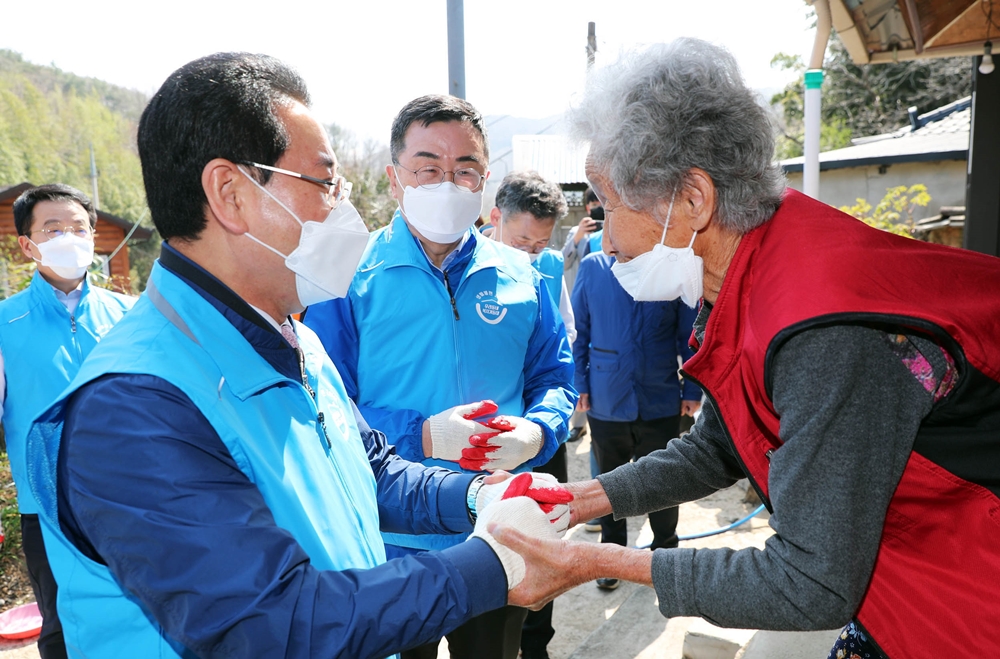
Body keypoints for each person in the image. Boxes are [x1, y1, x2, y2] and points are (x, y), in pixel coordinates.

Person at [23, 53, 567, 659]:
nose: (342, 210)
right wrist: (493, 566)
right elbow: (274, 625)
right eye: (326, 184)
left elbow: (372, 470)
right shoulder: (133, 405)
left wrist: (476, 497)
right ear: (231, 194)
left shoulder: (294, 339)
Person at [493, 39, 1000, 659]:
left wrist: (594, 561)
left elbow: (809, 583)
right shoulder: (755, 264)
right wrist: (582, 500)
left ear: (692, 200)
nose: (604, 237)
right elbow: (721, 443)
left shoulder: (821, 329)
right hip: (909, 580)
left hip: (967, 603)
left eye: (609, 205)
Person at [304, 95, 577, 659]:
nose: (448, 184)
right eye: (428, 168)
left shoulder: (523, 275)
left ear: (484, 181)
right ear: (394, 179)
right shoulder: (348, 277)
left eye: (465, 170)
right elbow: (323, 405)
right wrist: (422, 435)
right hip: (391, 537)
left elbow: (555, 376)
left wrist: (538, 431)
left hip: (497, 528)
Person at [0, 184, 134, 659]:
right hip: (48, 510)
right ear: (27, 244)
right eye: (53, 229)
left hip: (133, 499)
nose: (69, 238)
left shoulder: (130, 315)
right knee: (63, 630)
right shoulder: (4, 323)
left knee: (144, 617)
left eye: (79, 228)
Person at [571, 249, 701, 590]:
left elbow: (688, 334)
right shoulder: (594, 266)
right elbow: (579, 331)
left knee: (665, 480)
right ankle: (611, 557)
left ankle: (665, 554)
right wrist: (580, 383)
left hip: (659, 395)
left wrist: (692, 389)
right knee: (609, 483)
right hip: (606, 396)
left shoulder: (670, 266)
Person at [487, 170, 573, 659]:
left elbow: (562, 345)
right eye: (522, 242)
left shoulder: (547, 270)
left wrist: (542, 424)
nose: (531, 254)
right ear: (495, 218)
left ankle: (535, 645)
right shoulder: (462, 265)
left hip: (533, 437)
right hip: (480, 443)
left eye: (541, 244)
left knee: (541, 540)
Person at [561, 188, 602, 444]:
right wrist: (578, 236)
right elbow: (563, 262)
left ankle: (596, 415)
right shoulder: (574, 233)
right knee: (577, 358)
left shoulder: (612, 229)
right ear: (587, 207)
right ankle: (578, 422)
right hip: (577, 304)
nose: (597, 207)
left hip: (600, 304)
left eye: (601, 202)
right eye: (593, 203)